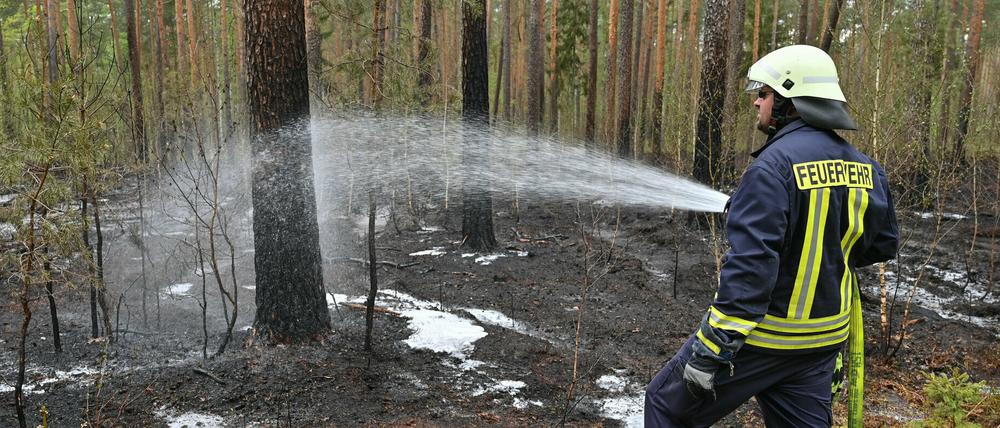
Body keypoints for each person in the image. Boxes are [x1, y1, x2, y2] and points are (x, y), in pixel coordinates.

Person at [644, 45, 899, 427]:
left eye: (763, 94)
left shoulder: (772, 168)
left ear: (790, 102)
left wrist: (711, 350)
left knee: (665, 405)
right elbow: (882, 244)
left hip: (766, 340)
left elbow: (749, 271)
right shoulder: (867, 169)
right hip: (823, 342)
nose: (756, 104)